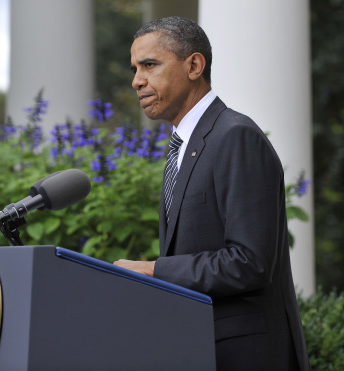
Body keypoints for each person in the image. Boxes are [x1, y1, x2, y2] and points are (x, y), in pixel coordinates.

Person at [113, 16, 311, 370]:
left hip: (246, 356)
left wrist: (152, 270)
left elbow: (251, 262)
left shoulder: (235, 137)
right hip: (199, 349)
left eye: (150, 65)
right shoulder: (182, 150)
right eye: (134, 69)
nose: (137, 80)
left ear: (194, 65)